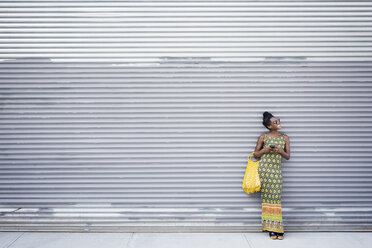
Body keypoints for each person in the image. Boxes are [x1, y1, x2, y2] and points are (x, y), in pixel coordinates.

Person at [253, 111, 290, 240]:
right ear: (269, 126)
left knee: (276, 198)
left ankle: (277, 227)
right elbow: (255, 154)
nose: (278, 123)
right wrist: (265, 150)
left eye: (278, 120)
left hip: (276, 172)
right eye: (275, 122)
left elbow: (288, 157)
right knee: (267, 199)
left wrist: (280, 151)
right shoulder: (263, 137)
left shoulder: (285, 137)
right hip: (264, 171)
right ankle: (271, 229)